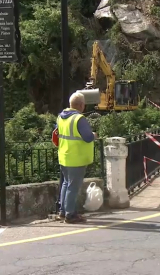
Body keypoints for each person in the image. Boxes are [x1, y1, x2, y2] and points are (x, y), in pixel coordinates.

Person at [56, 92, 97, 223]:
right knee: (73, 187)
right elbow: (87, 137)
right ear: (80, 105)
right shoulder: (79, 119)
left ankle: (62, 211)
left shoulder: (61, 117)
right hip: (76, 158)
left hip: (64, 155)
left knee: (66, 184)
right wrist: (94, 135)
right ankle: (70, 214)